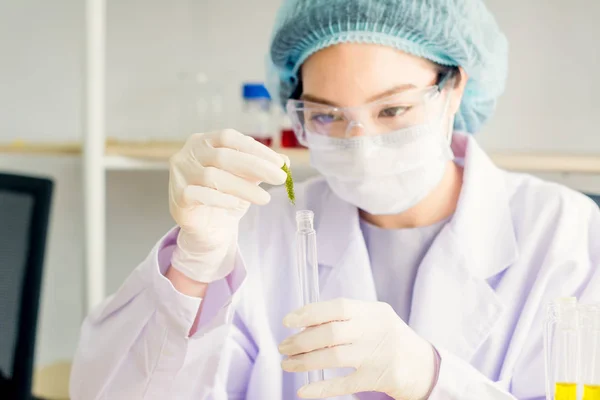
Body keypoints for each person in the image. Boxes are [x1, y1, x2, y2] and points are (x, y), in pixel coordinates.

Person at [70, 0, 600, 399]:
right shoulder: (265, 230)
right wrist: (193, 264)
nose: (361, 145)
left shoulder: (563, 236)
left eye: (392, 111)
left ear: (455, 86)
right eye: (325, 115)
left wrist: (431, 379)